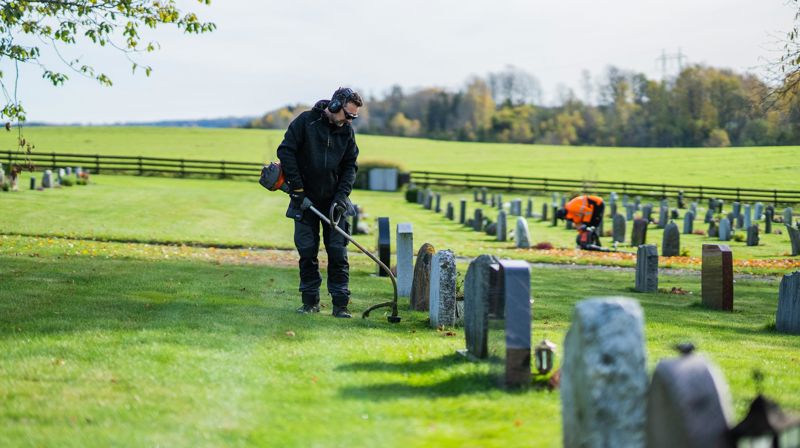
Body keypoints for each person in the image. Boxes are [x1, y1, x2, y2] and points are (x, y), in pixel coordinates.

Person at [276, 87, 363, 318]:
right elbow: (285, 152)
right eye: (348, 114)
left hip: (334, 202)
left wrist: (341, 197)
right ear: (334, 105)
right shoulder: (306, 122)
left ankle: (340, 305)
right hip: (303, 199)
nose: (349, 120)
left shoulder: (347, 132)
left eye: (353, 117)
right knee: (307, 252)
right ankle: (310, 302)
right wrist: (298, 188)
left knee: (338, 253)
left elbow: (350, 166)